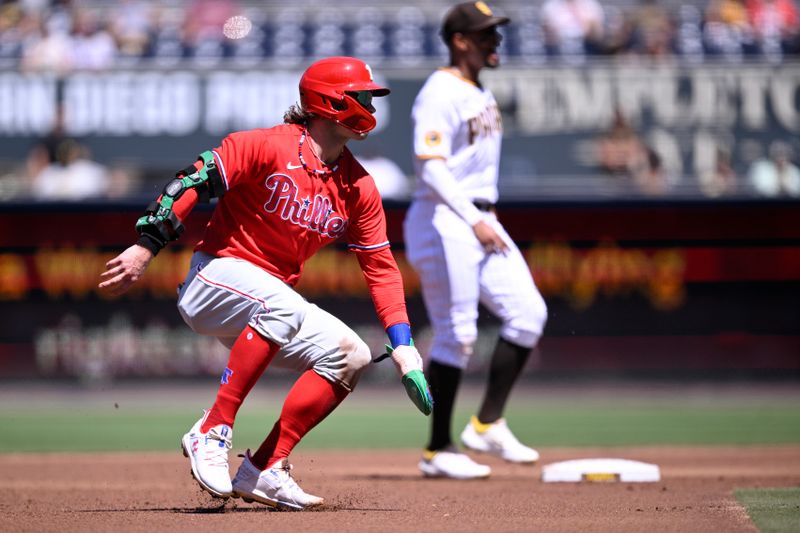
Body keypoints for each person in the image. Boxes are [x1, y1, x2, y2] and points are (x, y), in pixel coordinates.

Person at [98, 56, 432, 510]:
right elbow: (192, 179)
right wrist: (147, 245)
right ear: (330, 100)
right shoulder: (266, 146)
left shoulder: (359, 186)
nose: (370, 104)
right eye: (363, 96)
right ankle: (212, 430)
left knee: (350, 355)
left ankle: (265, 469)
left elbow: (381, 267)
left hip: (266, 306)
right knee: (285, 304)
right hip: (213, 278)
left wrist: (403, 342)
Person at [403, 2, 548, 480]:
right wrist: (471, 218)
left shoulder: (475, 88)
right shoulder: (439, 92)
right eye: (485, 34)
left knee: (529, 315)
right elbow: (430, 165)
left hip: (478, 216)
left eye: (496, 34)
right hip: (447, 217)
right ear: (460, 40)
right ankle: (438, 448)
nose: (495, 42)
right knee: (458, 334)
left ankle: (486, 423)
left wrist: (478, 218)